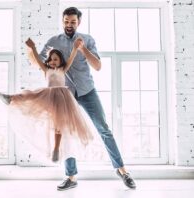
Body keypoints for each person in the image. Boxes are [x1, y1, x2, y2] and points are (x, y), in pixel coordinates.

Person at [36, 7, 136, 190]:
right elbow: (41, 62)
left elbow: (97, 66)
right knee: (65, 133)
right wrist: (48, 68)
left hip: (87, 91)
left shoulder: (87, 39)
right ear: (63, 21)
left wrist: (82, 50)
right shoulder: (53, 41)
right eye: (66, 21)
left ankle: (122, 171)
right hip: (65, 94)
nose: (69, 25)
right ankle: (71, 177)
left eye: (73, 22)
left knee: (103, 129)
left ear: (79, 22)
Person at [0, 37, 94, 162]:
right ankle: (11, 98)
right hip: (48, 96)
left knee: (58, 124)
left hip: (62, 98)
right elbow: (37, 59)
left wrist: (75, 48)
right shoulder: (46, 70)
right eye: (51, 59)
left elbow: (70, 59)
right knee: (31, 95)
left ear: (60, 61)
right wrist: (32, 48)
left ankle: (56, 149)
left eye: (55, 59)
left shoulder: (62, 70)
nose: (53, 61)